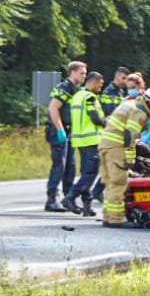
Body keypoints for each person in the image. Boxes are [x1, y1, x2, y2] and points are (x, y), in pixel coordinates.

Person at [98, 85, 150, 228]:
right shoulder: (139, 111)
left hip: (105, 145)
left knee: (110, 183)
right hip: (116, 148)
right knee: (119, 183)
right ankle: (116, 219)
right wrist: (129, 158)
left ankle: (108, 217)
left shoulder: (130, 104)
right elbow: (130, 135)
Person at [45, 60, 86, 211]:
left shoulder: (76, 89)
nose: (84, 76)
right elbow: (53, 108)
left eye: (85, 73)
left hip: (70, 132)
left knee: (71, 166)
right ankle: (51, 199)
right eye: (81, 73)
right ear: (73, 72)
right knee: (59, 165)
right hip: (58, 131)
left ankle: (68, 198)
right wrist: (60, 129)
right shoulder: (64, 87)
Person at [67, 71, 106, 217]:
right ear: (94, 82)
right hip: (91, 140)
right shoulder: (89, 97)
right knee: (91, 173)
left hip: (80, 139)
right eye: (100, 85)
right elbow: (95, 119)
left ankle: (87, 206)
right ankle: (70, 197)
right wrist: (108, 122)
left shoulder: (77, 96)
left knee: (86, 173)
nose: (100, 88)